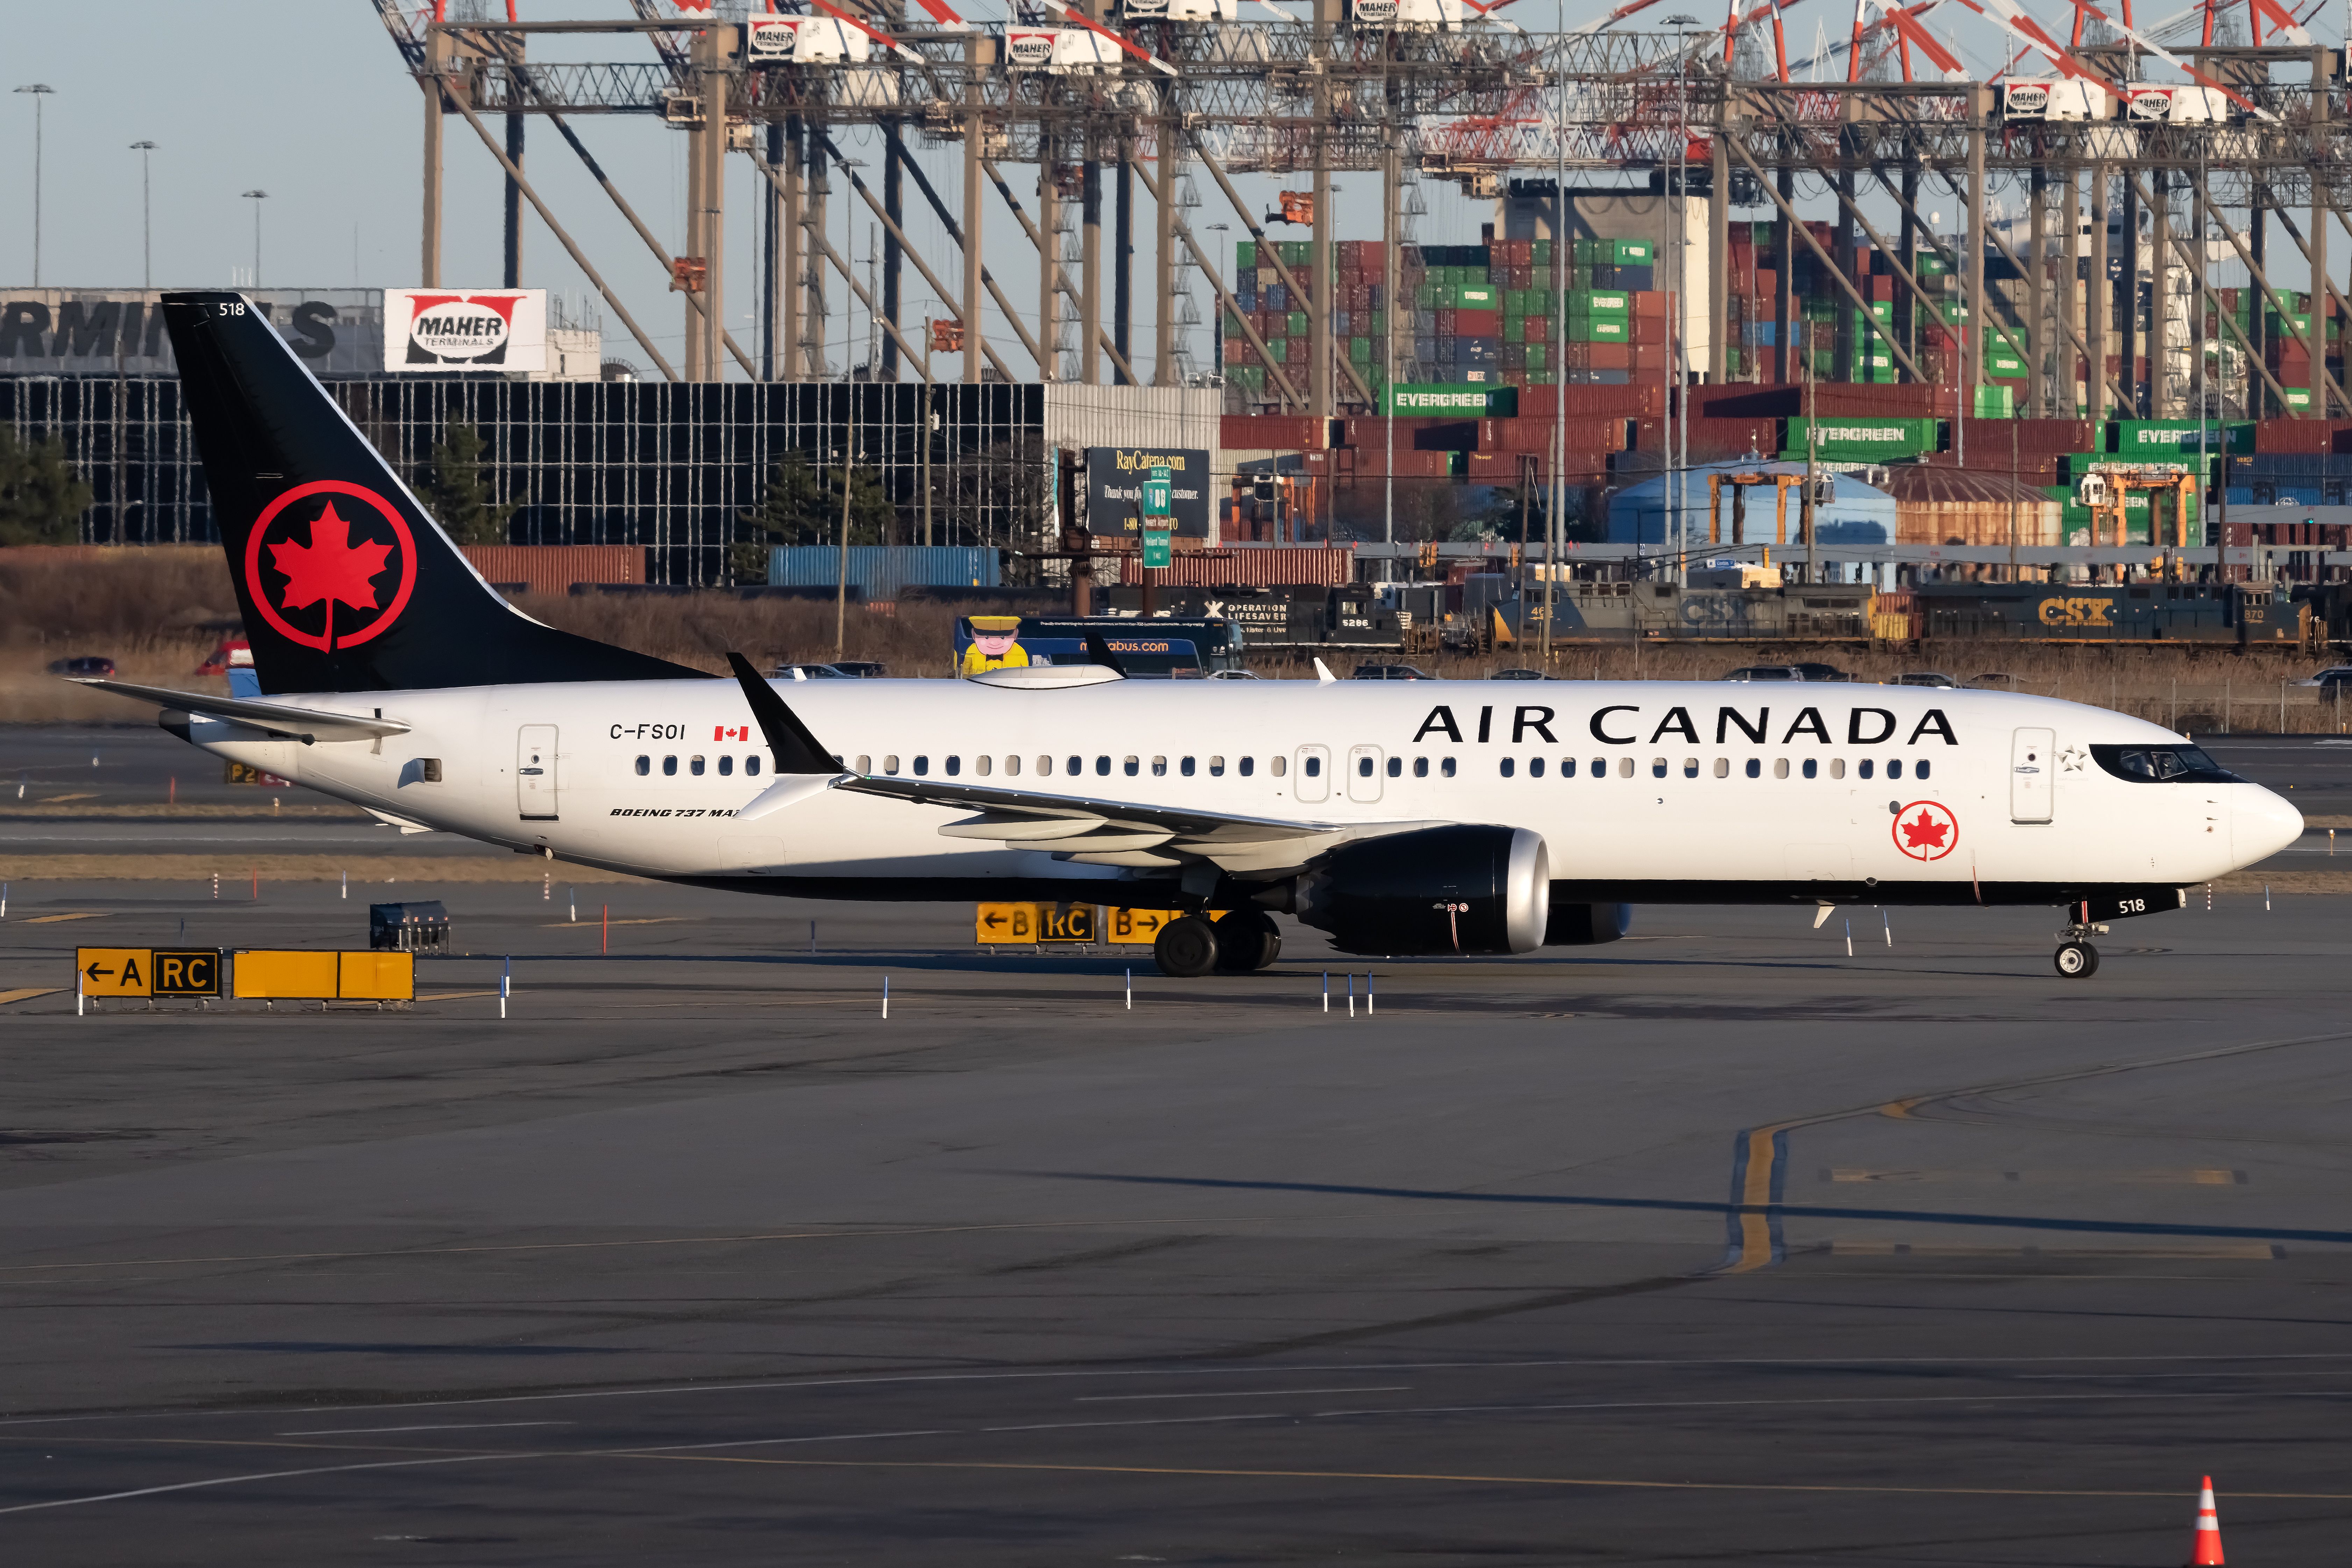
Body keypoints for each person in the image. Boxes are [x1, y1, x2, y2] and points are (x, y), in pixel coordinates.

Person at [959, 615, 1031, 677]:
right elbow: (965, 672)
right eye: (986, 637)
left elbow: (1026, 674)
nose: (994, 643)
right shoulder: (972, 650)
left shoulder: (1019, 651)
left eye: (1003, 637)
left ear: (1016, 634)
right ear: (974, 634)